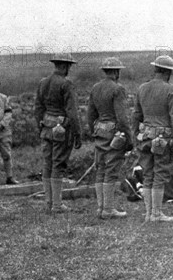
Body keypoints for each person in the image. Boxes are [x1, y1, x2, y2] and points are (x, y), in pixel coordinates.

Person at [133, 55, 173, 222]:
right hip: (163, 140)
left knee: (148, 174)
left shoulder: (142, 88)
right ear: (168, 72)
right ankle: (156, 213)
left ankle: (149, 213)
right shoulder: (171, 90)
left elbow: (136, 115)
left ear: (155, 69)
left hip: (145, 138)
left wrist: (135, 137)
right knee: (160, 174)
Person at [35, 53, 82, 213]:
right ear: (65, 66)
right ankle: (56, 205)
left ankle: (49, 202)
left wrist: (40, 126)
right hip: (61, 130)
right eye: (69, 66)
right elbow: (72, 112)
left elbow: (38, 108)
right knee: (58, 164)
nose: (69, 69)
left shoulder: (43, 82)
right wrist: (77, 133)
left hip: (46, 128)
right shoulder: (66, 84)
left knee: (47, 164)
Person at [87, 57, 133, 219]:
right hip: (114, 133)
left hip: (99, 131)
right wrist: (128, 139)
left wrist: (95, 130)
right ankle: (108, 209)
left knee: (100, 169)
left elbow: (90, 115)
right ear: (115, 71)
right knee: (111, 170)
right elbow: (122, 117)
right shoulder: (118, 89)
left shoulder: (95, 88)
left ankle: (101, 208)